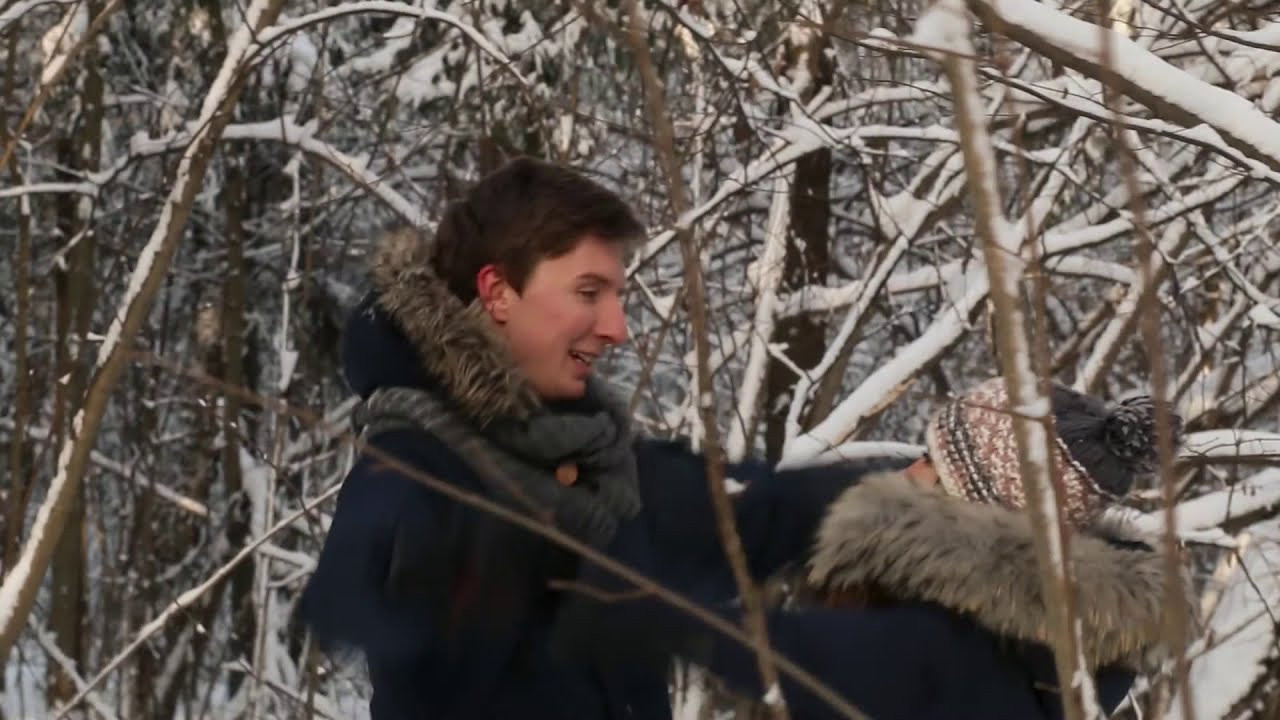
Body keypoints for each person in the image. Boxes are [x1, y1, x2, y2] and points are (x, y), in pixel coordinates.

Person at [298, 157, 1138, 720]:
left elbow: (749, 520)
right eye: (589, 291)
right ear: (498, 292)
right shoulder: (417, 489)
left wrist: (927, 507)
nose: (620, 327)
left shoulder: (574, 459)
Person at [807, 377, 1198, 718]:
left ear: (983, 524)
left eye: (933, 466)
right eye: (923, 453)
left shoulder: (957, 663)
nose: (908, 472)